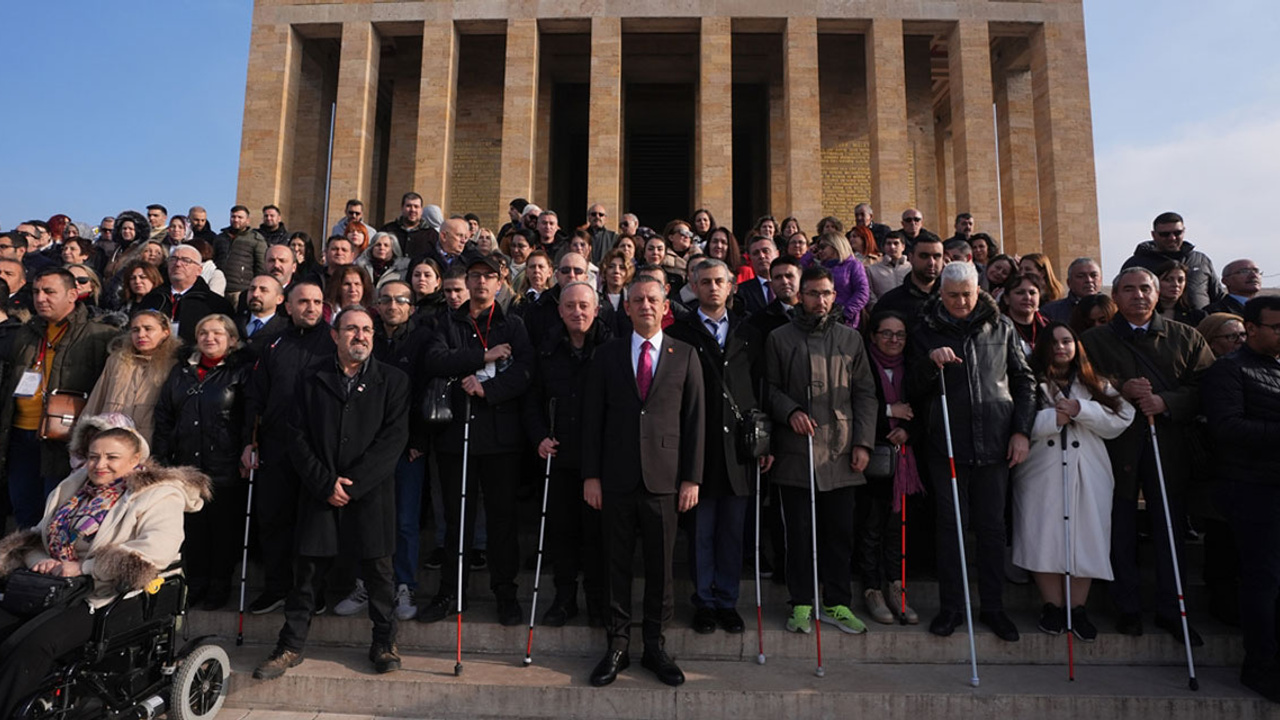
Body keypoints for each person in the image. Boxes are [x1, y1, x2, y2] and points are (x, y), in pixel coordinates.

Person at [0, 425, 211, 719]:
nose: (100, 465)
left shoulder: (160, 495)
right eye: (93, 456)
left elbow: (157, 550)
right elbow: (39, 535)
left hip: (109, 593)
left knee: (36, 645)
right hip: (54, 585)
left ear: (136, 459)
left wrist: (85, 567)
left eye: (112, 457)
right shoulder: (75, 489)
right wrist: (38, 559)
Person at [253, 306, 410, 680]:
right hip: (319, 491)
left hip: (369, 493)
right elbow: (297, 436)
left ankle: (384, 643)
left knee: (379, 574)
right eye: (352, 329)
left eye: (367, 330)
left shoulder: (394, 380)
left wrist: (352, 485)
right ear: (335, 335)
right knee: (306, 575)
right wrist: (325, 483)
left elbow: (394, 439)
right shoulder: (309, 378)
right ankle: (289, 646)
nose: (361, 336)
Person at [1081, 266, 1215, 644]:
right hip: (1117, 446)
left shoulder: (1185, 337)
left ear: (1158, 294)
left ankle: (1173, 608)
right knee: (1119, 527)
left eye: (1145, 289)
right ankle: (1126, 607)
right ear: (1116, 296)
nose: (1137, 296)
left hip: (1168, 446)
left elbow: (1207, 387)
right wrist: (1121, 388)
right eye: (1128, 289)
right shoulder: (1094, 339)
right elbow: (1083, 382)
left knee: (1169, 528)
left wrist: (1166, 401)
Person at [582, 274, 704, 688]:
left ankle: (655, 644)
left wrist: (692, 478)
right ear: (627, 307)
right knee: (615, 566)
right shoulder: (607, 355)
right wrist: (591, 475)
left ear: (665, 306)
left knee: (661, 568)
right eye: (637, 300)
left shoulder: (685, 354)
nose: (646, 306)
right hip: (615, 479)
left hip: (665, 481)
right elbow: (592, 421)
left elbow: (695, 422)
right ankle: (617, 645)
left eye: (653, 299)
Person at [909, 261, 1034, 642]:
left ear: (979, 290)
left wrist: (1021, 432)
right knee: (951, 529)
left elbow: (1024, 380)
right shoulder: (925, 329)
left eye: (967, 293)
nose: (961, 301)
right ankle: (952, 608)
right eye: (952, 295)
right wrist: (931, 365)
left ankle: (993, 607)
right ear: (941, 294)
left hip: (996, 442)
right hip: (946, 441)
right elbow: (912, 386)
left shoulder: (1002, 326)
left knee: (993, 529)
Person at [419, 252, 534, 626]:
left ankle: (506, 593)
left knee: (502, 519)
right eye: (474, 276)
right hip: (457, 434)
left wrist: (489, 390)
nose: (481, 283)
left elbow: (525, 372)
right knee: (457, 519)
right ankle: (450, 592)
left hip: (500, 437)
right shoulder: (447, 321)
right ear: (466, 283)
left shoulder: (512, 324)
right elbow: (435, 360)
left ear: (499, 283)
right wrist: (482, 356)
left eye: (489, 277)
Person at [765, 266, 877, 635]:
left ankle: (836, 602)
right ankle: (800, 602)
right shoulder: (780, 338)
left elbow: (865, 394)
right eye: (813, 293)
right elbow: (769, 388)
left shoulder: (850, 339)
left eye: (827, 293)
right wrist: (790, 411)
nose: (820, 300)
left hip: (840, 451)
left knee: (839, 533)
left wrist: (863, 443)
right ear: (801, 295)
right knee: (798, 534)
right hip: (797, 451)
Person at [1013, 323, 1134, 639]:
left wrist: (1082, 409)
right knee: (1043, 535)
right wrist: (1053, 419)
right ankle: (1052, 606)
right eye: (1053, 342)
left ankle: (1077, 608)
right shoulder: (1030, 381)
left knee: (1086, 536)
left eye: (1067, 340)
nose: (1060, 347)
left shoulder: (1095, 383)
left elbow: (1122, 417)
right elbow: (1015, 422)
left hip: (1088, 469)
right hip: (1042, 470)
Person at [666, 259, 765, 635]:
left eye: (719, 281)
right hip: (699, 446)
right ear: (694, 285)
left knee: (732, 531)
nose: (712, 287)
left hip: (739, 450)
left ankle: (727, 600)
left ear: (731, 287)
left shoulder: (748, 332)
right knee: (701, 532)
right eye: (705, 281)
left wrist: (764, 440)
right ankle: (703, 602)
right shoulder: (682, 332)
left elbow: (760, 385)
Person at [1202, 296, 1280, 702]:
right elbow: (1227, 428)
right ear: (1251, 328)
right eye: (1276, 327)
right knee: (1264, 580)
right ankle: (1261, 664)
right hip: (1253, 490)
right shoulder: (1229, 371)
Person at [241, 280, 335, 613]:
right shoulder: (272, 344)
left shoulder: (334, 342)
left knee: (314, 524)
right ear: (288, 306)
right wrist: (249, 443)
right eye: (304, 302)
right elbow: (255, 396)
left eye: (317, 302)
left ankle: (313, 591)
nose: (311, 308)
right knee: (274, 519)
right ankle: (277, 586)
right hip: (276, 445)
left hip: (319, 449)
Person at [523, 282, 611, 626]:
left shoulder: (611, 349)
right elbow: (531, 402)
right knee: (562, 532)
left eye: (584, 306)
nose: (577, 312)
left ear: (596, 309)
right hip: (557, 457)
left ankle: (596, 600)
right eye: (570, 306)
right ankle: (564, 598)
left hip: (599, 460)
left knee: (596, 534)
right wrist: (539, 437)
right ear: (560, 310)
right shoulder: (546, 349)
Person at [152, 314, 253, 611]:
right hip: (185, 466)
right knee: (193, 530)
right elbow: (164, 416)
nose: (210, 338)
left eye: (218, 334)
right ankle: (195, 584)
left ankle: (219, 585)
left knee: (222, 531)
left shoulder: (240, 372)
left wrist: (246, 450)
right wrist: (161, 458)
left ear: (232, 340)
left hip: (224, 464)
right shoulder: (181, 372)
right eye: (203, 333)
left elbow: (248, 417)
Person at [1, 268, 115, 528]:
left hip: (66, 441)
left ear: (73, 294)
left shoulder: (99, 335)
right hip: (19, 435)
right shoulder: (26, 333)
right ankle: (23, 566)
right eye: (36, 292)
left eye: (49, 292)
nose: (40, 298)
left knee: (57, 515)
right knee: (24, 509)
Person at [856, 311, 924, 625]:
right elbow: (854, 402)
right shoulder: (862, 362)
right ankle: (872, 589)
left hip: (906, 459)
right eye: (886, 333)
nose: (893, 340)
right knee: (871, 527)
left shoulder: (913, 366)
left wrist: (909, 430)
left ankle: (896, 587)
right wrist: (888, 413)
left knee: (898, 529)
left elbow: (924, 408)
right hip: (872, 456)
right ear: (873, 335)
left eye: (900, 334)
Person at [81, 309, 180, 444]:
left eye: (148, 329)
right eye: (135, 330)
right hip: (109, 440)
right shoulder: (116, 360)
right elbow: (97, 399)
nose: (141, 335)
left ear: (165, 333)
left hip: (148, 443)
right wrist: (82, 437)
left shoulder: (174, 366)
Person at [1121, 211, 1224, 311]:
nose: (1172, 238)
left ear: (1184, 231)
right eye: (1165, 234)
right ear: (1154, 235)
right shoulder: (1136, 264)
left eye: (1177, 233)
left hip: (1200, 324)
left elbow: (1217, 296)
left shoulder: (1200, 261)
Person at [137, 245, 236, 345]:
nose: (178, 264)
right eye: (173, 259)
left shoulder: (215, 304)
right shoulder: (152, 298)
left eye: (186, 260)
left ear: (199, 270)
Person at [874, 234, 945, 325]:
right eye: (924, 256)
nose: (931, 262)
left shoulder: (952, 299)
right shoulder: (890, 302)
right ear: (911, 258)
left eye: (937, 257)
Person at [811, 232, 870, 328]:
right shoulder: (820, 268)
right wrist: (809, 255)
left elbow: (862, 292)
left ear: (835, 245)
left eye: (823, 247)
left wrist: (846, 312)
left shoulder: (853, 265)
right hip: (823, 319)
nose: (820, 251)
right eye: (818, 248)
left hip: (847, 321)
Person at [213, 205, 268, 305]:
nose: (236, 220)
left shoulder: (256, 240)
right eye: (233, 217)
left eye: (240, 217)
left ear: (247, 220)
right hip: (219, 289)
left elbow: (261, 266)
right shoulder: (220, 238)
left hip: (240, 291)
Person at [237, 275, 290, 354]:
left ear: (279, 299)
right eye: (252, 289)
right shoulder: (235, 323)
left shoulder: (286, 329)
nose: (255, 294)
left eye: (263, 290)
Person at [379, 192, 440, 259]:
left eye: (416, 206)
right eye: (408, 206)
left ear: (421, 210)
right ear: (402, 208)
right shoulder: (387, 230)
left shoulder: (432, 235)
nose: (412, 210)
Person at [1041, 258, 1103, 324]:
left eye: (1094, 275)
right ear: (1069, 283)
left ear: (1101, 280)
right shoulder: (1051, 311)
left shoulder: (1111, 309)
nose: (1089, 280)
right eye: (1081, 276)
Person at [1002, 273, 1049, 357]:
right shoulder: (997, 328)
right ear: (1007, 299)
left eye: (1032, 293)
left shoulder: (1048, 327)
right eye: (1020, 293)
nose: (1027, 297)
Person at [736, 236, 780, 317]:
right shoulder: (742, 291)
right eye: (756, 253)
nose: (761, 256)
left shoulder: (790, 284)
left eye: (765, 251)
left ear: (777, 254)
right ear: (750, 258)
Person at [1154, 260, 1207, 327]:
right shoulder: (1145, 313)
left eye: (1180, 280)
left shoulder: (1197, 317)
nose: (1176, 284)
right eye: (1168, 280)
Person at [866, 231, 910, 302]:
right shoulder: (872, 270)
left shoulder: (911, 268)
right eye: (888, 243)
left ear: (903, 247)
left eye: (896, 243)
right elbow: (869, 292)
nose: (892, 247)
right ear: (883, 247)